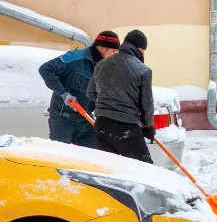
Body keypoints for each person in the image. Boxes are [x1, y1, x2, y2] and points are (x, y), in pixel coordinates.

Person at [38, 31, 120, 148]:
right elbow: (46, 69)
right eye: (114, 51)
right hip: (63, 119)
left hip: (85, 119)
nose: (115, 55)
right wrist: (64, 94)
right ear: (103, 47)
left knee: (97, 153)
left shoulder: (103, 67)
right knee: (62, 154)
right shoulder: (76, 58)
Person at [87, 30, 155, 163]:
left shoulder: (101, 64)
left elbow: (91, 93)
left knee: (110, 167)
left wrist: (108, 105)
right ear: (140, 49)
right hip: (126, 128)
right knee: (143, 168)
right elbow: (146, 104)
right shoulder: (144, 71)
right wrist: (148, 126)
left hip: (101, 125)